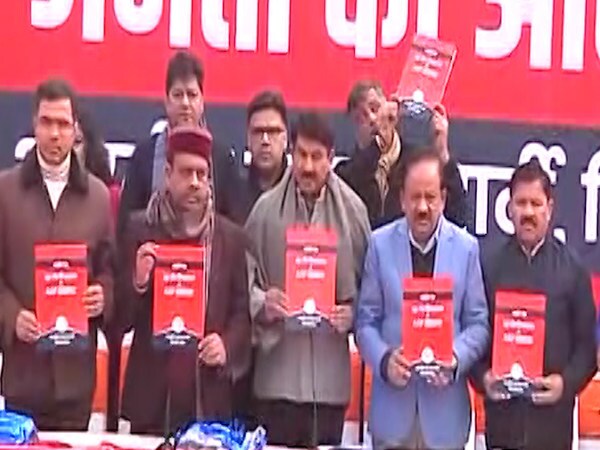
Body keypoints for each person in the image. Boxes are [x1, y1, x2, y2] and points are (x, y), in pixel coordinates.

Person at [245, 112, 370, 447]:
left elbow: (374, 290)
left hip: (329, 386)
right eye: (301, 155)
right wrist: (262, 302)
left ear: (331, 158)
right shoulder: (265, 212)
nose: (308, 166)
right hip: (276, 382)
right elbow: (241, 282)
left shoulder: (354, 214)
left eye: (317, 157)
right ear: (291, 153)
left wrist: (353, 313)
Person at [120, 127, 251, 434]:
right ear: (167, 174)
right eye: (186, 172)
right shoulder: (141, 229)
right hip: (152, 402)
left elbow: (242, 314)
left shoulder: (230, 238)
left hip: (207, 399)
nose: (194, 182)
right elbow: (118, 319)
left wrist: (226, 345)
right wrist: (137, 282)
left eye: (201, 174)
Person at [356, 148, 489, 449]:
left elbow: (479, 324)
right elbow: (365, 322)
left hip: (446, 419)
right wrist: (385, 360)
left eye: (430, 197)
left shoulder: (467, 249)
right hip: (392, 417)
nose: (423, 207)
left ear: (443, 198)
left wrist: (456, 358)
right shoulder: (379, 245)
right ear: (402, 199)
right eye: (415, 197)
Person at [0, 79, 114, 430]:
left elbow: (109, 270)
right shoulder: (5, 192)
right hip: (23, 376)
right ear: (34, 125)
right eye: (46, 122)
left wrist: (103, 295)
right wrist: (12, 316)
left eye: (63, 124)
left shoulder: (98, 197)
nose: (54, 134)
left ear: (75, 128)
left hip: (75, 381)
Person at [471, 160, 597, 450]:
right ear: (509, 208)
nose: (528, 212)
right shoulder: (489, 267)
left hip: (552, 431)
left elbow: (587, 351)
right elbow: (474, 335)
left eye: (536, 204)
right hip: (502, 429)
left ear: (549, 209)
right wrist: (483, 379)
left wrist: (564, 384)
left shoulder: (573, 270)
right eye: (521, 203)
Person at [117, 50, 236, 238]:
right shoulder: (144, 156)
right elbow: (126, 228)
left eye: (192, 95)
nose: (185, 104)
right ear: (166, 101)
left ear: (202, 101)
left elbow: (232, 229)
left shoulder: (222, 159)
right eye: (178, 95)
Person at [336, 80, 469, 229]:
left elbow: (458, 217)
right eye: (361, 118)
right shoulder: (346, 175)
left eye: (375, 108)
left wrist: (442, 154)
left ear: (392, 110)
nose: (372, 119)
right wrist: (379, 145)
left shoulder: (417, 163)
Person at [229, 90, 289, 224]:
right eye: (258, 132)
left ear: (285, 139)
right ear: (248, 139)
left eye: (273, 131)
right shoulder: (233, 197)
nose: (265, 140)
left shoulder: (300, 195)